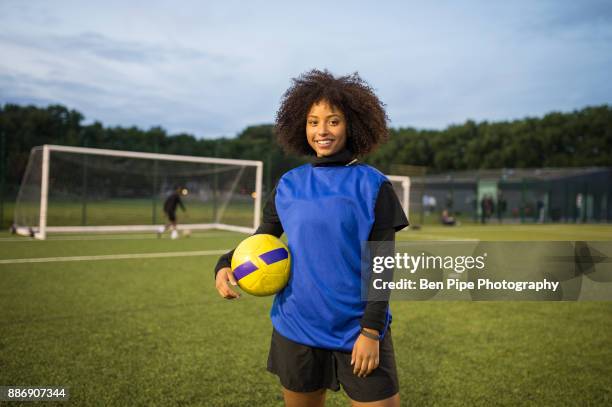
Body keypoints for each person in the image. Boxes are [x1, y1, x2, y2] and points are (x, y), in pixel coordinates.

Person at [214, 69, 408, 407]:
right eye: (313, 122)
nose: (322, 131)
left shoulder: (374, 185)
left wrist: (371, 331)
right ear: (301, 127)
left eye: (333, 121)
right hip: (297, 327)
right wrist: (223, 263)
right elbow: (263, 238)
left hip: (357, 330)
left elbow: (383, 265)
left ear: (352, 125)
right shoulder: (289, 184)